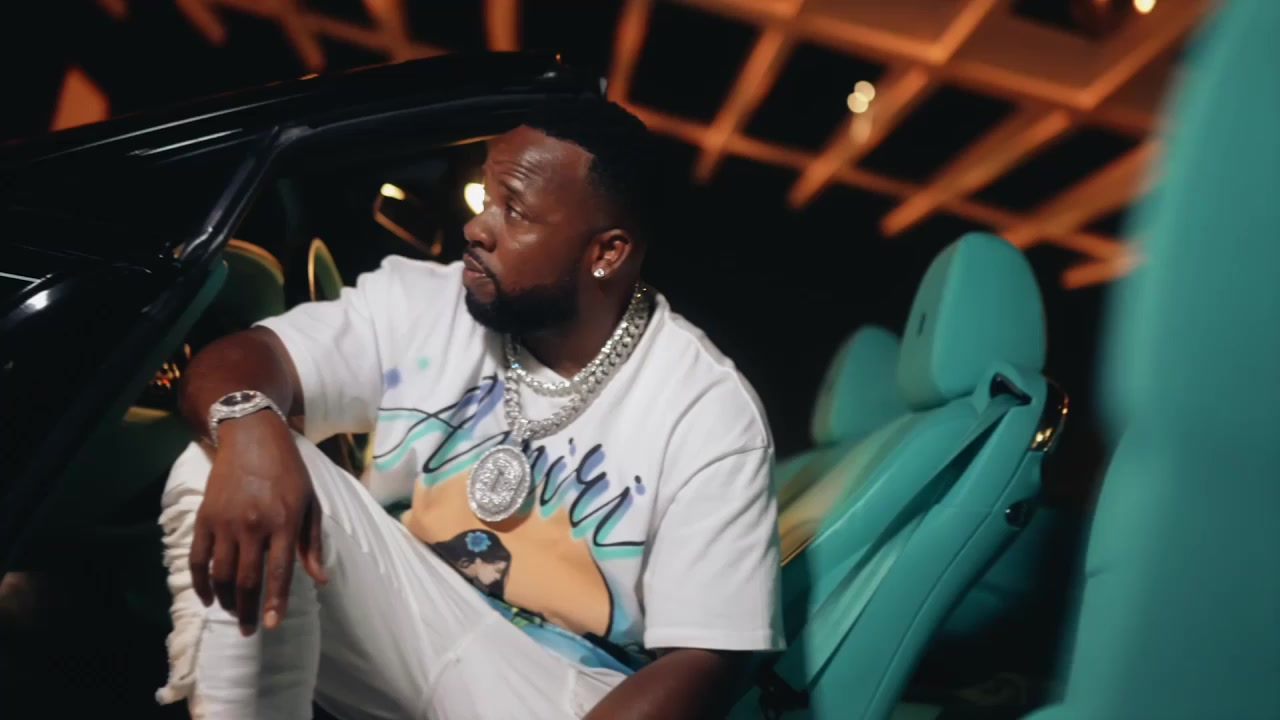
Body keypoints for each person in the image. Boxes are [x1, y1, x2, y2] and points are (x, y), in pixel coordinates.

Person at [156, 97, 784, 720]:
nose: (478, 227)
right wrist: (251, 429)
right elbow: (244, 359)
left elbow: (705, 662)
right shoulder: (422, 302)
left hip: (557, 688)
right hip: (413, 621)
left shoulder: (706, 409)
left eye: (515, 210)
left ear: (606, 253)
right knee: (225, 452)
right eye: (487, 197)